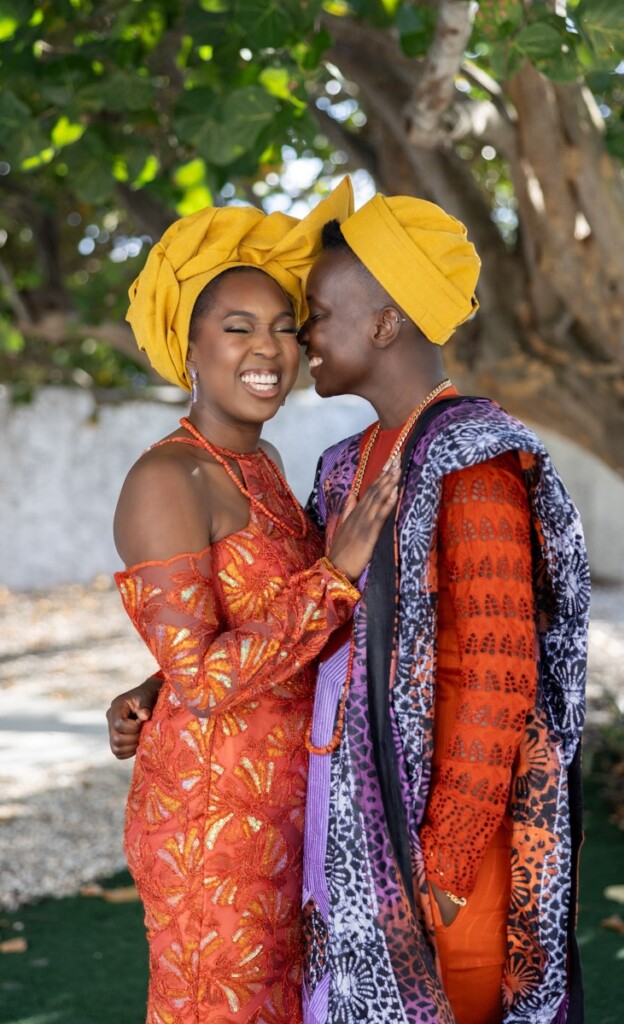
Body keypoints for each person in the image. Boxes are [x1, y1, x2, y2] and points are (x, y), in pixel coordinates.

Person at [109, 191, 589, 1024]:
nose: (292, 344)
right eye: (247, 327)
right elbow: (290, 608)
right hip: (282, 824)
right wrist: (168, 681)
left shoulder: (458, 464)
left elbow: (497, 671)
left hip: (398, 835)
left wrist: (443, 860)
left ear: (382, 324)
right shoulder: (325, 466)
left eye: (306, 319)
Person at [109, 181, 400, 1024]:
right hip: (209, 824)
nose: (267, 347)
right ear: (188, 347)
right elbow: (205, 678)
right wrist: (335, 571)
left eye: (283, 325)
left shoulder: (261, 464)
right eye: (237, 328)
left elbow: (210, 640)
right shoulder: (169, 478)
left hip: (283, 805)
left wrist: (148, 689)